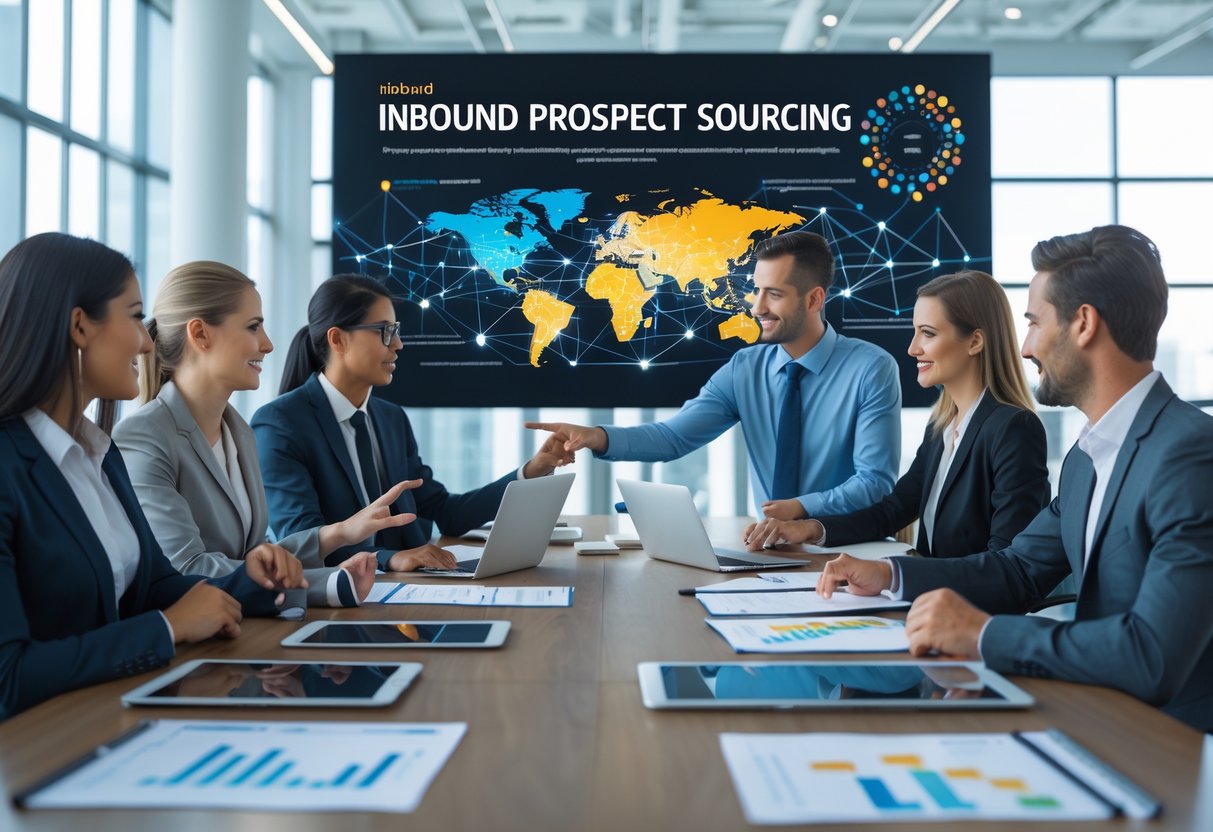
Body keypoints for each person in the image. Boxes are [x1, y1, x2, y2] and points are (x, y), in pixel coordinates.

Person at [817, 225, 1213, 731]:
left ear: (1084, 324)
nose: (1025, 347)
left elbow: (1151, 655)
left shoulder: (1190, 455)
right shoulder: (1085, 460)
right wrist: (893, 576)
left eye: (1033, 322)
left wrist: (984, 635)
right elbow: (1019, 570)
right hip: (1093, 719)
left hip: (1170, 753)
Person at [0, 233, 305, 721]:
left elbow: (154, 585)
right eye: (134, 316)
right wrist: (165, 630)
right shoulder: (11, 467)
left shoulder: (99, 452)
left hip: (115, 714)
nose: (146, 341)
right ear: (80, 326)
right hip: (39, 746)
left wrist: (250, 583)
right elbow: (7, 676)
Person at [526, 230, 901, 520]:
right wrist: (596, 436)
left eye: (774, 294)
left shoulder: (871, 368)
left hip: (845, 548)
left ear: (814, 299)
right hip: (771, 549)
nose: (757, 308)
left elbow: (874, 481)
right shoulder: (745, 369)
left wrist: (800, 510)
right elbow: (673, 438)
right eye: (756, 291)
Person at [113, 261, 419, 607]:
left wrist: (340, 535)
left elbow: (254, 557)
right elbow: (187, 567)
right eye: (253, 327)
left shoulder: (239, 432)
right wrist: (326, 584)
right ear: (200, 334)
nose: (269, 344)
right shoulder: (144, 438)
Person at [251, 274, 573, 572]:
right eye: (384, 331)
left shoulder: (390, 419)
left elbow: (446, 512)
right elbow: (299, 540)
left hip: (408, 591)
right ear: (338, 340)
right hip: (338, 599)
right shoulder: (280, 425)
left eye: (396, 331)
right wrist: (391, 559)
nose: (398, 345)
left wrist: (531, 470)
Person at [744, 270, 1050, 558]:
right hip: (927, 601)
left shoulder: (1014, 429)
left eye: (927, 334)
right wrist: (807, 528)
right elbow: (892, 512)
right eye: (915, 332)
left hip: (970, 611)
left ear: (974, 341)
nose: (913, 348)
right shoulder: (943, 426)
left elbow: (1005, 561)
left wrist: (898, 574)